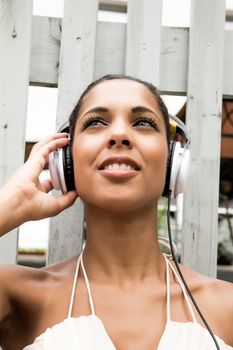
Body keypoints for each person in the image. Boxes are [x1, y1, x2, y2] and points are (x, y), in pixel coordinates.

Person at [0, 75, 232, 350]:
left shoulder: (227, 306)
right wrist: (7, 206)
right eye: (96, 122)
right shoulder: (18, 294)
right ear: (65, 162)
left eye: (143, 123)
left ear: (172, 161)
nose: (119, 135)